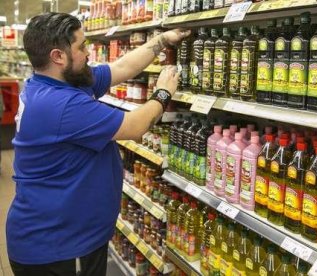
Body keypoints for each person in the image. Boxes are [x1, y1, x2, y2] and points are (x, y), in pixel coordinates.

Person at [6, 12, 190, 276]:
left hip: (71, 234)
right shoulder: (61, 105)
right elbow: (136, 125)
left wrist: (162, 40)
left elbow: (122, 68)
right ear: (58, 56)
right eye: (81, 46)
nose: (88, 52)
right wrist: (163, 92)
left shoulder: (59, 83)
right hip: (57, 247)